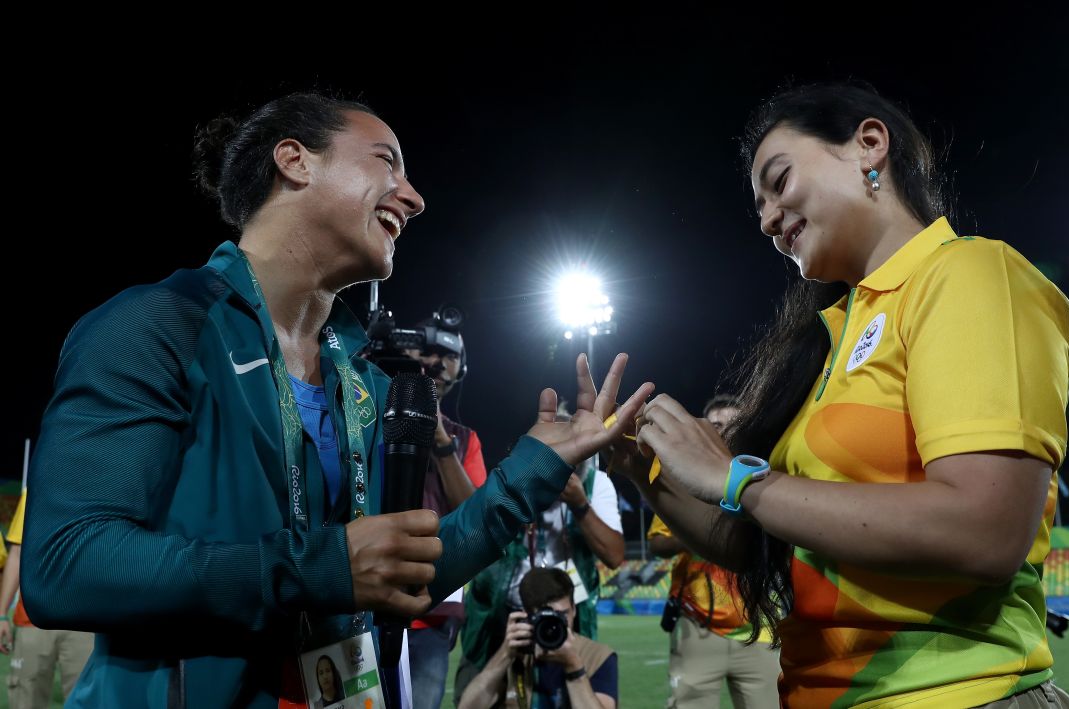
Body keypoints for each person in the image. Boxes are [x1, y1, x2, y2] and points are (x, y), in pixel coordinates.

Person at [19, 92, 653, 708]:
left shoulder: (365, 382)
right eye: (387, 161)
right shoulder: (157, 326)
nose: (415, 196)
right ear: (296, 160)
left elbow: (399, 575)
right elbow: (65, 566)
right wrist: (318, 569)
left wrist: (535, 470)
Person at [621, 82, 1069, 708]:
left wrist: (736, 480)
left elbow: (987, 530)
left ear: (868, 146)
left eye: (778, 183)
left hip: (954, 694)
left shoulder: (967, 274)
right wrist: (642, 468)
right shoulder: (835, 336)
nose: (765, 220)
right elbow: (761, 544)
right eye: (758, 207)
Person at [456, 404, 625, 703]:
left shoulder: (595, 483)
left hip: (566, 613)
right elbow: (473, 533)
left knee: (572, 690)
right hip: (502, 613)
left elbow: (613, 555)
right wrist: (522, 497)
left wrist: (579, 504)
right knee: (478, 689)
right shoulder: (511, 479)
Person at [646, 395, 779, 708]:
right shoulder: (681, 483)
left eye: (734, 426)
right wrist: (699, 532)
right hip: (699, 623)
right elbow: (656, 544)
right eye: (716, 426)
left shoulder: (767, 480)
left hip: (762, 626)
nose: (724, 433)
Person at [402, 313, 489, 709]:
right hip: (363, 595)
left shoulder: (465, 439)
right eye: (429, 351)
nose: (437, 362)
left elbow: (474, 515)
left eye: (448, 355)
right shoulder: (365, 415)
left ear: (461, 368)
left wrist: (439, 439)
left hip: (431, 607)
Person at [457, 567, 617, 709]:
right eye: (545, 618)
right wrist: (505, 654)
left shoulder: (599, 656)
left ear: (574, 609)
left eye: (562, 615)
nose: (554, 625)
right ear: (527, 615)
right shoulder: (514, 651)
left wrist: (574, 667)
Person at [0, 489, 95, 708]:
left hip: (87, 620)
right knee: (26, 700)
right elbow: (17, 552)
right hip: (32, 616)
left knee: (87, 700)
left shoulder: (102, 487)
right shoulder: (36, 488)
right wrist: (2, 614)